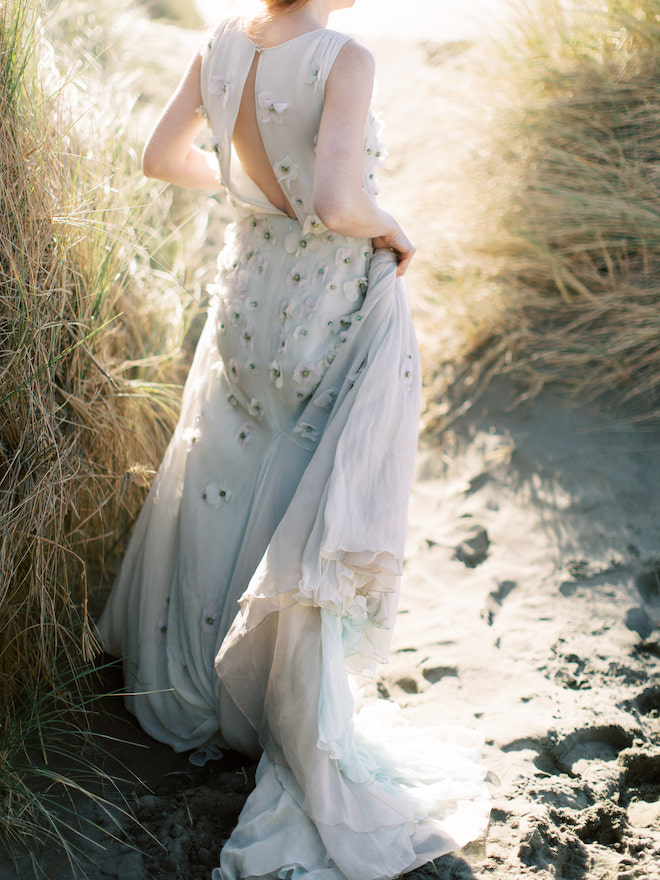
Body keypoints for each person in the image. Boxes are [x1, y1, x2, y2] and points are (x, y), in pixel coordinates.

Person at [98, 0, 491, 877]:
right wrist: (393, 228)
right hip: (320, 303)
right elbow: (335, 201)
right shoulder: (343, 58)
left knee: (224, 474)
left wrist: (244, 191)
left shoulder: (221, 41)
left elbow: (163, 158)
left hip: (244, 296)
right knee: (299, 497)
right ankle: (271, 705)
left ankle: (196, 688)